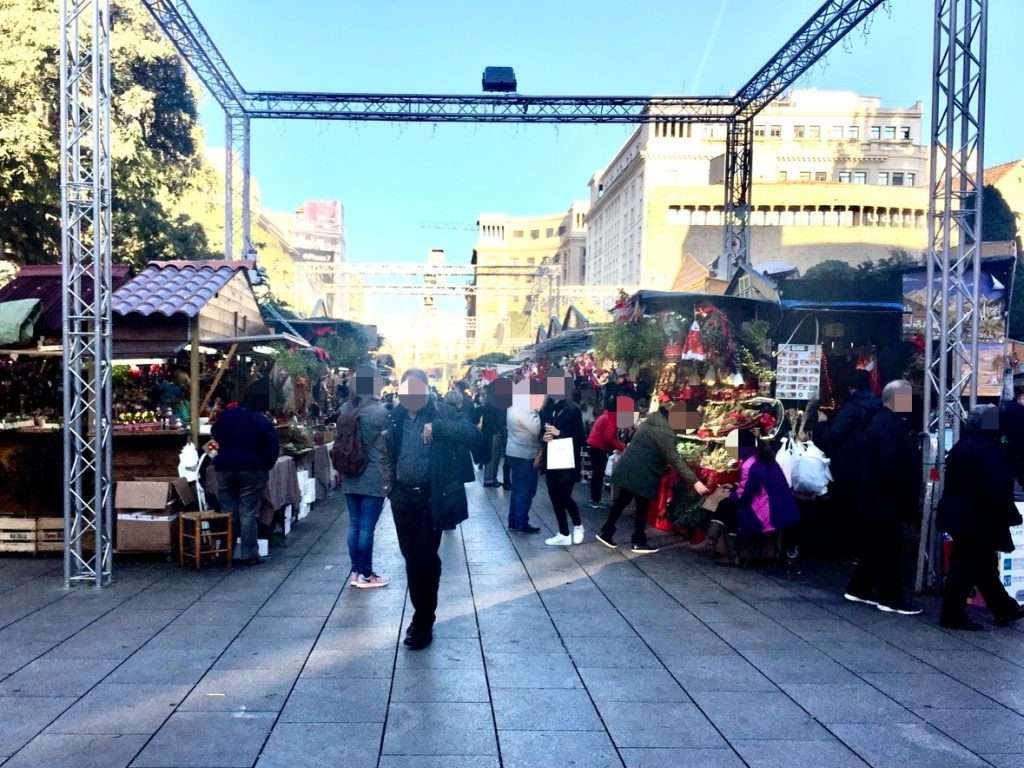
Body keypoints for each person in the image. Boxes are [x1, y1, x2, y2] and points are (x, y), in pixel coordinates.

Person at [388, 368, 480, 650]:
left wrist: (438, 427)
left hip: (431, 497)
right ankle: (422, 612)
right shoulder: (395, 417)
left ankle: (423, 619)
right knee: (411, 557)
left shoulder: (442, 413)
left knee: (425, 558)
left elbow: (474, 436)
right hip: (402, 497)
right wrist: (390, 488)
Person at [938, 404, 1024, 630]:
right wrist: (1009, 514)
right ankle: (953, 614)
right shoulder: (991, 450)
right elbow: (997, 487)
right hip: (979, 517)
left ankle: (1004, 608)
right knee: (967, 566)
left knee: (980, 564)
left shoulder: (962, 446)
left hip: (963, 515)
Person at [843, 380, 923, 615]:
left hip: (872, 496)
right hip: (885, 498)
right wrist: (905, 495)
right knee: (889, 548)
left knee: (873, 545)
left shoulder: (877, 422)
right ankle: (890, 597)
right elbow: (892, 466)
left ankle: (860, 588)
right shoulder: (891, 427)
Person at [598, 401, 709, 554]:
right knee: (642, 506)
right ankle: (638, 541)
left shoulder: (653, 420)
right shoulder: (664, 432)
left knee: (622, 501)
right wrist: (695, 481)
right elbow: (674, 459)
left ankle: (606, 531)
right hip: (643, 472)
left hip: (630, 467)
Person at [699, 430, 799, 563]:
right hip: (781, 509)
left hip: (768, 514)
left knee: (726, 507)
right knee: (727, 504)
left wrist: (730, 493)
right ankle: (715, 546)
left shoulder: (749, 465)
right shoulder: (764, 458)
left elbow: (742, 498)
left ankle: (730, 554)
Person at [336, 364, 392, 589]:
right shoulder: (380, 412)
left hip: (350, 472)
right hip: (372, 474)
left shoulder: (345, 409)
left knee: (354, 524)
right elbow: (388, 445)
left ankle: (356, 571)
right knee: (367, 527)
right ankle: (366, 574)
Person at [211, 390, 280, 565]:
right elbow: (272, 445)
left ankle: (226, 552)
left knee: (228, 512)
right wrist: (265, 464)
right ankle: (249, 555)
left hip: (225, 467)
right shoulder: (261, 420)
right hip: (252, 469)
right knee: (248, 512)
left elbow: (214, 432)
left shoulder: (227, 416)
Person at [540, 371, 587, 547]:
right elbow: (541, 430)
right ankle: (563, 532)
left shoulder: (573, 409)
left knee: (565, 495)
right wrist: (544, 437)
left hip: (567, 458)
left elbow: (580, 437)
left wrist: (560, 433)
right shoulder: (548, 407)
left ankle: (578, 524)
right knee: (554, 496)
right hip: (550, 456)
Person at [505, 377, 544, 534]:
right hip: (526, 453)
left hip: (514, 451)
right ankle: (521, 522)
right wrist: (537, 411)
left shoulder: (513, 405)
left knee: (517, 488)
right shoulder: (526, 409)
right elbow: (536, 429)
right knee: (526, 490)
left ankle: (514, 520)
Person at [586, 395, 627, 509]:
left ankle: (595, 499)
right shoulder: (611, 419)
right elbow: (608, 437)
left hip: (594, 446)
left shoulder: (606, 416)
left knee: (597, 474)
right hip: (598, 447)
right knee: (598, 475)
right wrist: (622, 447)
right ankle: (595, 500)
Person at [482, 379, 512, 487]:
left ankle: (492, 478)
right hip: (494, 432)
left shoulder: (490, 401)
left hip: (491, 431)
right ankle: (489, 479)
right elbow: (500, 418)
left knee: (494, 456)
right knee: (493, 456)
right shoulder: (496, 403)